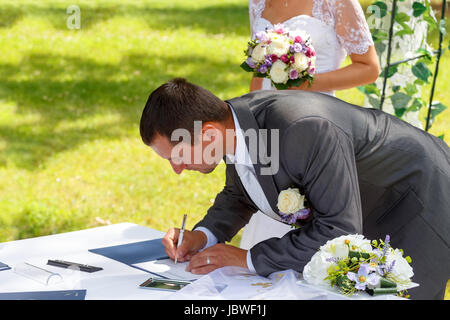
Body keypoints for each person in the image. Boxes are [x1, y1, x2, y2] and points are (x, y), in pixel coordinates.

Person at [140, 78, 450, 299]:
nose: (177, 170)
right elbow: (240, 193)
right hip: (360, 205)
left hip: (417, 197)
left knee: (398, 294)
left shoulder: (302, 128)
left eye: (177, 157)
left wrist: (245, 259)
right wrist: (202, 235)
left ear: (207, 134)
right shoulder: (233, 126)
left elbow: (339, 228)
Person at [242, 0, 381, 249]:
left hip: (315, 122)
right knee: (270, 205)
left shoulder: (337, 3)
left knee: (314, 210)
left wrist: (308, 83)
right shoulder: (258, 3)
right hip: (267, 126)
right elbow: (258, 72)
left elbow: (369, 68)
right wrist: (249, 122)